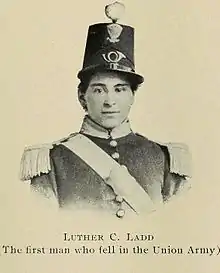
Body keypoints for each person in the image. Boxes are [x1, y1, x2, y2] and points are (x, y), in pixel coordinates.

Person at [20, 2, 191, 218]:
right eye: (99, 90)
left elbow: (180, 231)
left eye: (119, 90)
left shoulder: (164, 159)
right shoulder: (52, 161)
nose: (110, 101)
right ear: (82, 96)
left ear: (132, 96)